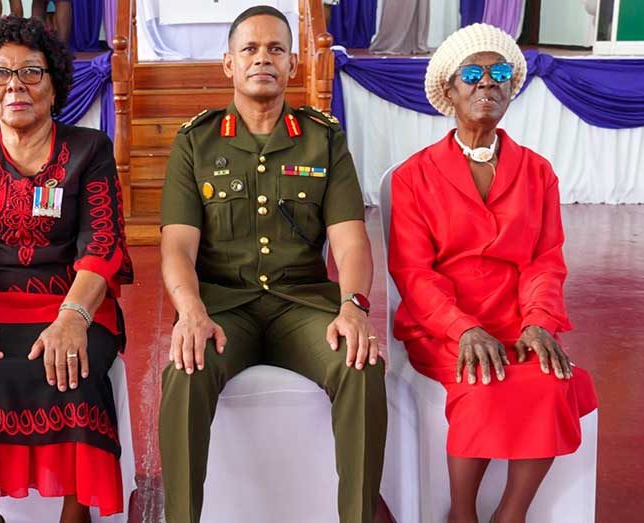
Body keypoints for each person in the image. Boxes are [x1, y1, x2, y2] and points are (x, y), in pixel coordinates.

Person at [158, 5, 387, 522]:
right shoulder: (197, 141)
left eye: (276, 49)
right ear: (228, 64)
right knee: (185, 368)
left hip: (300, 306)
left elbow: (351, 243)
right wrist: (190, 310)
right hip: (222, 308)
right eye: (250, 49)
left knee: (361, 362)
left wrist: (353, 306)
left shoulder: (322, 138)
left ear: (293, 64)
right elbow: (176, 247)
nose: (263, 58)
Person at [388, 23, 598, 523]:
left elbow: (546, 259)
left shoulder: (538, 171)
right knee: (480, 384)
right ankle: (461, 513)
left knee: (549, 381)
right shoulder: (412, 176)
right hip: (444, 325)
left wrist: (540, 321)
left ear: (511, 88)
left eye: (499, 73)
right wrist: (463, 329)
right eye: (474, 74)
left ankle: (511, 513)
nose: (488, 83)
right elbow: (413, 271)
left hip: (518, 318)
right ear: (449, 90)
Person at [0, 16, 133, 523]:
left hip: (75, 302)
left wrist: (72, 318)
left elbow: (102, 246)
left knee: (78, 375)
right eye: (1, 74)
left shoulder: (90, 150)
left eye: (31, 73)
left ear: (55, 83)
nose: (15, 85)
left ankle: (75, 513)